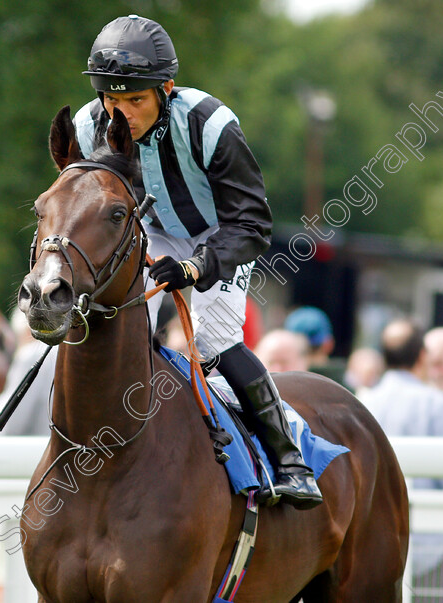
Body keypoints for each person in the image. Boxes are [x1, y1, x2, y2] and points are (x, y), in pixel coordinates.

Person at [74, 14, 319, 508]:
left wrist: (197, 268)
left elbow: (252, 224)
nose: (121, 115)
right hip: (146, 232)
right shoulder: (88, 126)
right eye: (111, 99)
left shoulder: (209, 123)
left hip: (219, 233)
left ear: (166, 88)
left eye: (135, 101)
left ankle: (290, 460)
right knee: (103, 320)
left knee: (210, 339)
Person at [363, 318, 443, 577]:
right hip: (429, 544)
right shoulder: (435, 402)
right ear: (422, 356)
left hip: (372, 541)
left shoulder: (363, 400)